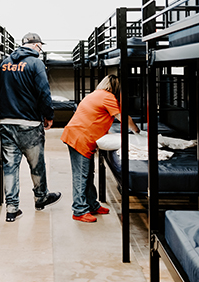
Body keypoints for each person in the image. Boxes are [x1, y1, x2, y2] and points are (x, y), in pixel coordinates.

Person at [0, 32, 61, 222]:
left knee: (10, 167)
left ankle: (12, 208)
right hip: (29, 123)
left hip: (6, 122)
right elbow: (43, 91)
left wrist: (1, 115)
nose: (40, 50)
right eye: (40, 47)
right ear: (35, 45)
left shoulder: (4, 62)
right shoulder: (36, 63)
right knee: (36, 165)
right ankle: (40, 198)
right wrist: (49, 115)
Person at [60, 74, 140, 223]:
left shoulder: (97, 94)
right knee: (81, 176)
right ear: (116, 87)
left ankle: (92, 204)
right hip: (80, 139)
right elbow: (124, 118)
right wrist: (138, 133)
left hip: (80, 136)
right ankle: (79, 210)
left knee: (89, 174)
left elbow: (96, 117)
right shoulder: (107, 97)